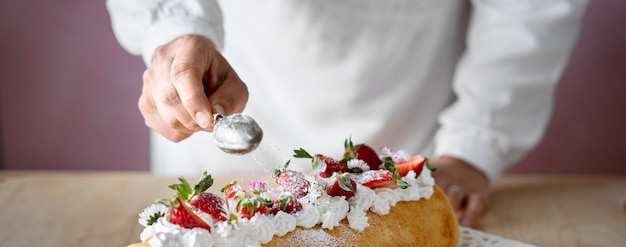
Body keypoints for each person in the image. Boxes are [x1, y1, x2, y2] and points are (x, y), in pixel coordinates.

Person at [106, 0, 589, 227]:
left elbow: (532, 9)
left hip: (410, 129)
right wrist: (175, 29)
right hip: (223, 109)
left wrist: (476, 143)